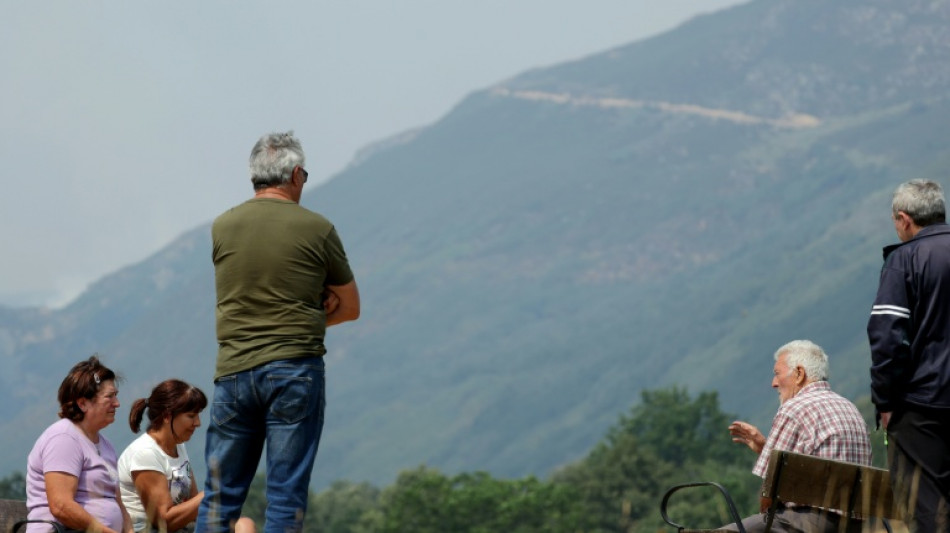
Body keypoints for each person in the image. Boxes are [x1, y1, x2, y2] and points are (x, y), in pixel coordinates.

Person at [195, 131, 360, 533]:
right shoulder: (317, 228)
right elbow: (350, 307)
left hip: (233, 373)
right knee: (285, 498)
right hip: (294, 372)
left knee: (220, 498)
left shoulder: (223, 226)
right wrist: (309, 311)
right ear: (297, 174)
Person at [868, 179, 950, 532]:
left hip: (922, 406)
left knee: (925, 507)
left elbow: (887, 338)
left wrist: (885, 401)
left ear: (904, 218)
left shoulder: (905, 261)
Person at [725, 340, 872, 533]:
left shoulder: (793, 408)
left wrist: (766, 509)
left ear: (799, 374)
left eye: (777, 374)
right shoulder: (850, 408)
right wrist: (765, 448)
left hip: (805, 523)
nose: (773, 383)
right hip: (855, 526)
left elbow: (769, 493)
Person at [118, 380, 254, 533]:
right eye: (191, 416)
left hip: (184, 528)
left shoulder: (178, 446)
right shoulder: (145, 453)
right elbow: (163, 522)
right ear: (167, 416)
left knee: (244, 525)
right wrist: (211, 493)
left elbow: (192, 501)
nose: (198, 423)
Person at [25, 356, 133, 533]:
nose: (117, 403)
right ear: (82, 403)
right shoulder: (64, 438)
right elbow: (61, 506)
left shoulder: (106, 445)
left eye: (116, 396)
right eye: (109, 397)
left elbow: (118, 503)